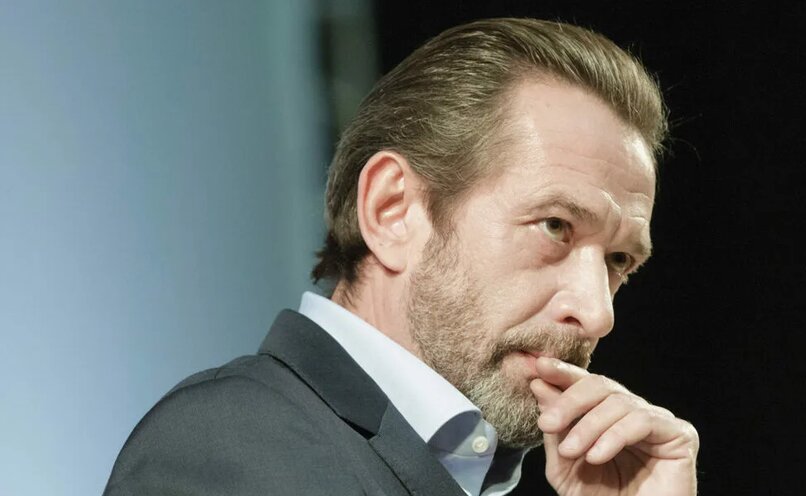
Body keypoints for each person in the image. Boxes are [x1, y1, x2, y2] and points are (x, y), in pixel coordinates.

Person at [104, 17, 699, 495]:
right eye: (555, 226)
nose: (597, 314)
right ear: (392, 210)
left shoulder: (466, 470)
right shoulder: (233, 446)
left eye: (618, 262)